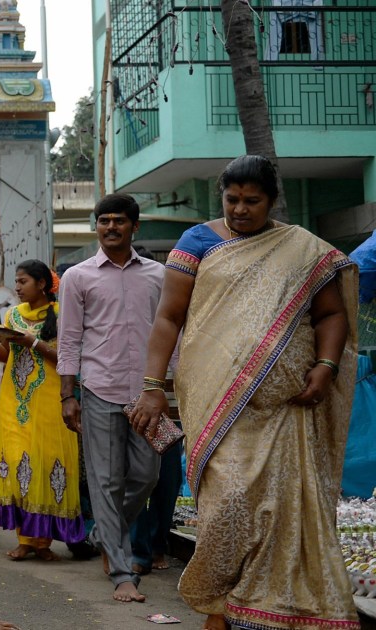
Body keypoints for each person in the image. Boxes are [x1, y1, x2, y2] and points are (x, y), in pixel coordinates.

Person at [129, 156, 360, 629]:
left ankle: (269, 608)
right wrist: (153, 387)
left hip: (289, 407)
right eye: (231, 199)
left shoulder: (301, 249)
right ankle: (218, 600)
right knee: (228, 504)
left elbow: (331, 315)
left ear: (273, 202)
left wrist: (325, 366)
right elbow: (169, 318)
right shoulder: (198, 242)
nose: (239, 209)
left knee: (282, 506)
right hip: (219, 400)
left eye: (252, 201)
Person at [57, 194, 165, 603]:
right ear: (96, 226)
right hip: (98, 389)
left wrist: (167, 388)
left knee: (146, 475)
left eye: (119, 221)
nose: (111, 227)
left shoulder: (158, 275)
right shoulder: (78, 277)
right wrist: (68, 395)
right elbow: (69, 339)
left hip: (147, 393)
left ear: (134, 227)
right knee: (105, 480)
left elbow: (170, 334)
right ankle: (122, 572)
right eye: (104, 221)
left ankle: (105, 531)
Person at [0, 261, 83, 562]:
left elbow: (67, 359)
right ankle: (25, 540)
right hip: (14, 401)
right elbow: (8, 356)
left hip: (50, 400)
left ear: (42, 284)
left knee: (43, 465)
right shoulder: (13, 315)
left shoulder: (62, 313)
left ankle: (43, 543)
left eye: (23, 281)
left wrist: (33, 342)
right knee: (17, 465)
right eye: (17, 281)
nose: (17, 287)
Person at [127, 245, 182, 576]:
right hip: (135, 407)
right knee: (139, 479)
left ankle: (157, 544)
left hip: (174, 409)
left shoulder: (178, 311)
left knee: (168, 483)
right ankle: (139, 551)